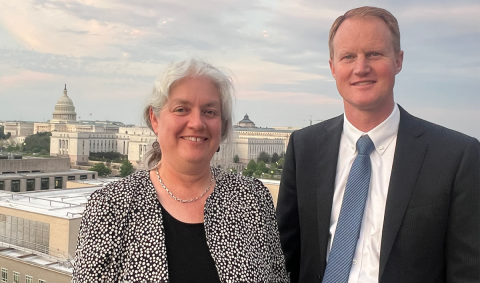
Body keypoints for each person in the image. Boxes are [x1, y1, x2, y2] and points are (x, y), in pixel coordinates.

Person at [276, 6, 480, 283]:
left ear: (398, 60)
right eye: (348, 56)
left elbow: (468, 271)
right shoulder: (304, 148)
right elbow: (284, 256)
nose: (361, 68)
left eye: (374, 54)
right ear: (333, 68)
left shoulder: (456, 157)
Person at [73, 58, 289, 282]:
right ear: (154, 119)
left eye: (210, 112)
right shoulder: (112, 206)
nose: (197, 123)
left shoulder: (251, 199)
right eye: (181, 109)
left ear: (222, 126)